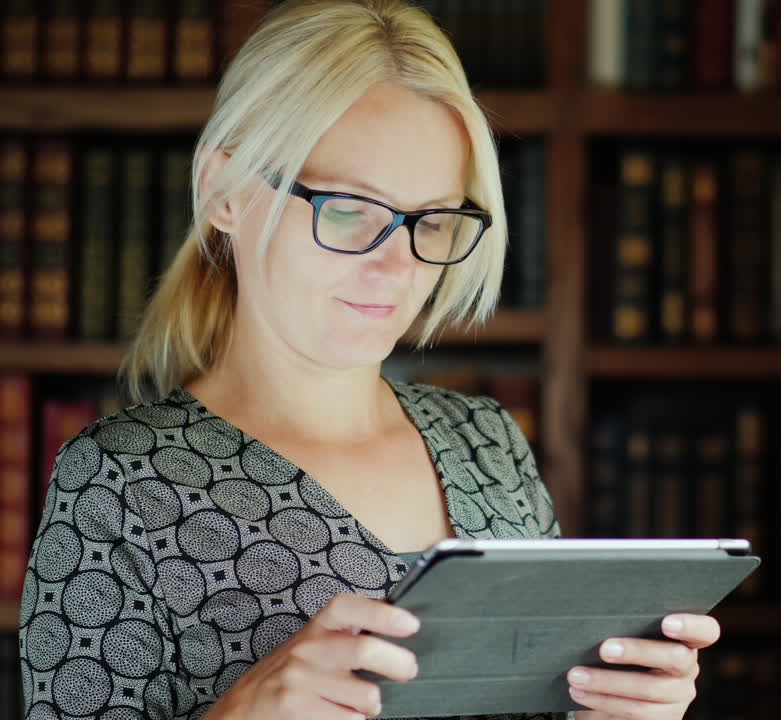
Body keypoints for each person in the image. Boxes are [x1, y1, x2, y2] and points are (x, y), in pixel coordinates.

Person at [17, 1, 720, 718]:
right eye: (350, 209)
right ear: (222, 191)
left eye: (433, 220)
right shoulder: (118, 482)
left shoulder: (487, 442)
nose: (396, 267)